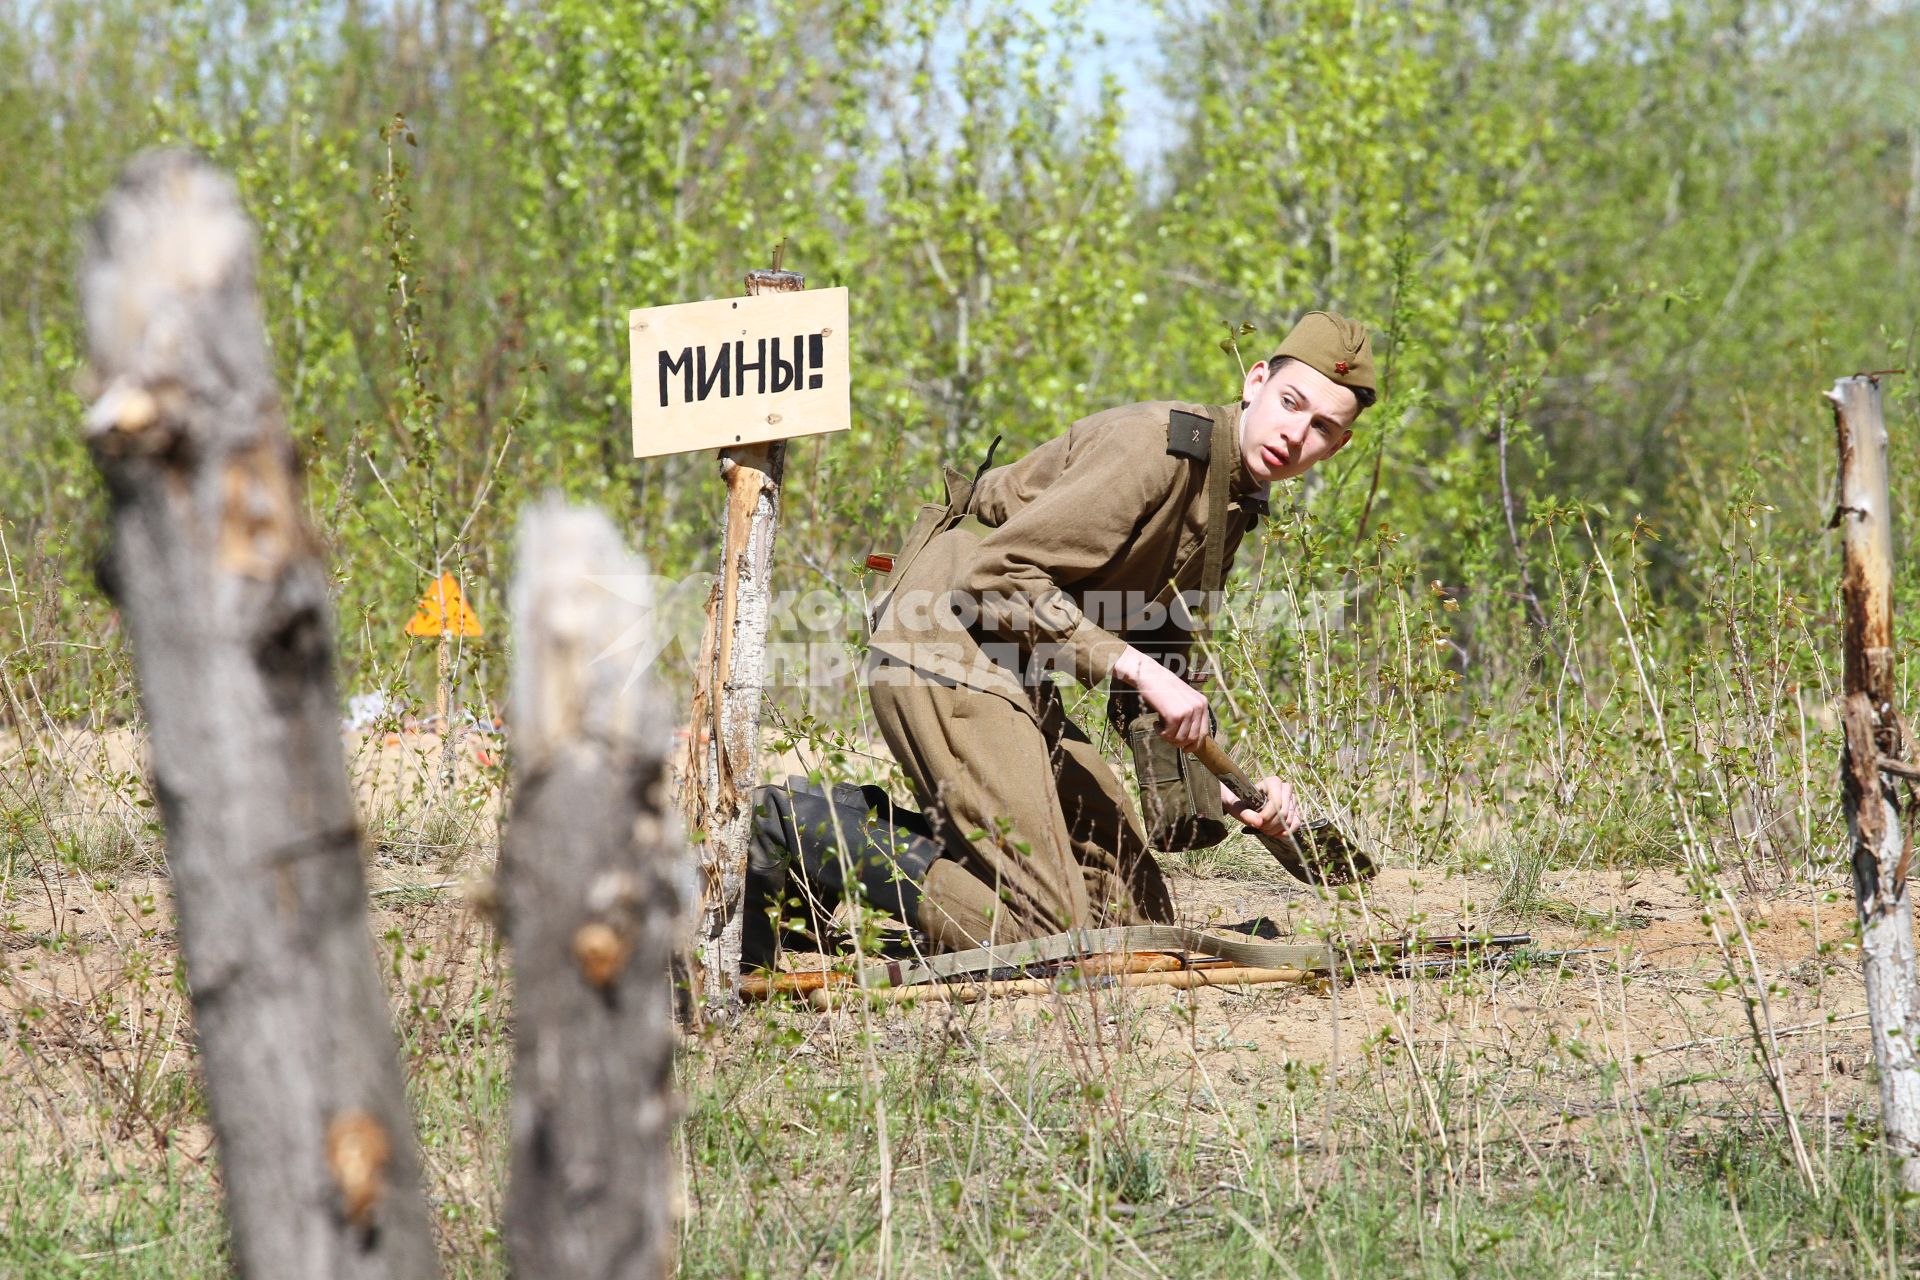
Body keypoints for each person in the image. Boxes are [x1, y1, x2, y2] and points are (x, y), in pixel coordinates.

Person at [849, 311, 1376, 952]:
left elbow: (1158, 656)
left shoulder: (1232, 496)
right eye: (1291, 404)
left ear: (1339, 445)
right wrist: (1141, 670)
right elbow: (997, 574)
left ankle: (966, 852)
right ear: (1256, 381)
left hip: (1017, 662)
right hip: (941, 639)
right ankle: (818, 836)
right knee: (1050, 937)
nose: (1296, 434)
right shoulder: (1154, 447)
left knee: (1135, 918)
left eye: (1322, 426)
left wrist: (1238, 796)